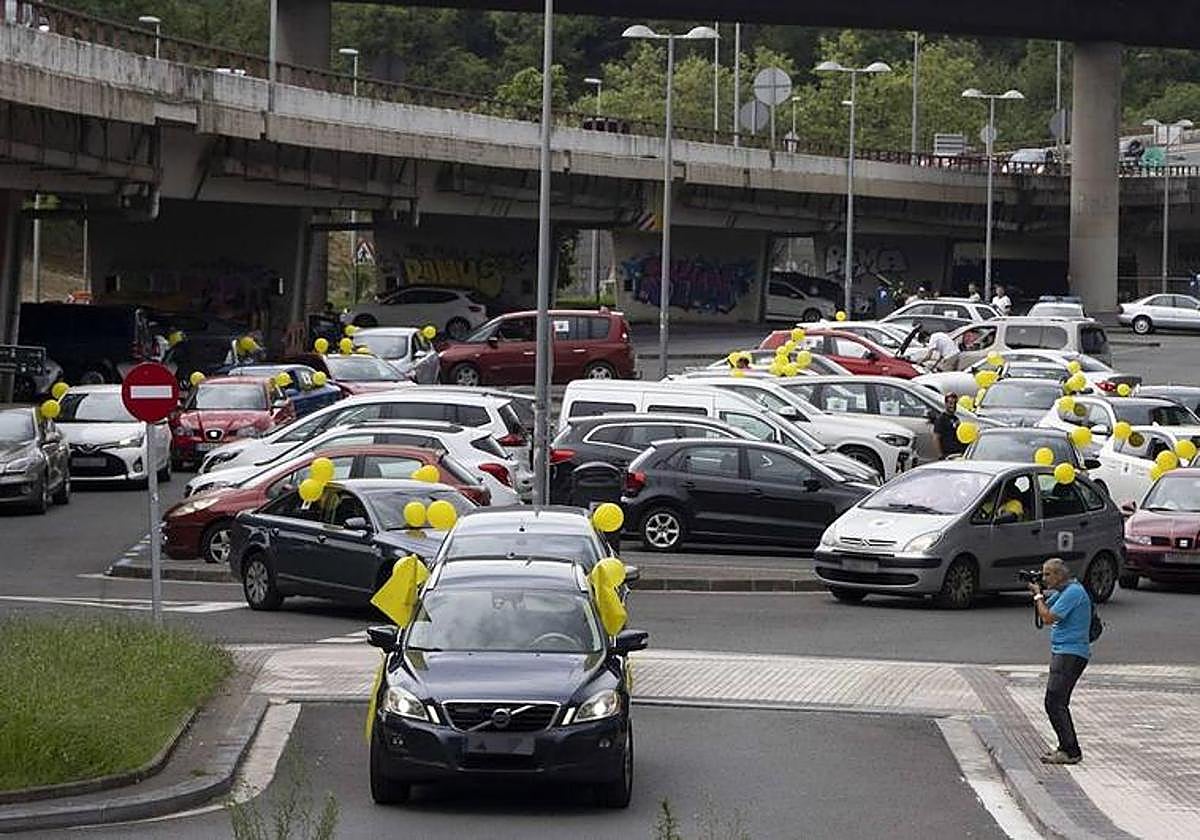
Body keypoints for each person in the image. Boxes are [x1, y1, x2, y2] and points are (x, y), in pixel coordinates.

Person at [1028, 557, 1092, 765]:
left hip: (1071, 653)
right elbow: (1045, 608)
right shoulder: (1064, 592)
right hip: (1064, 652)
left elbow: (1047, 617)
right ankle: (1065, 747)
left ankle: (1071, 750)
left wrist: (1038, 594)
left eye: (1047, 574)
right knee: (1055, 701)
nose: (1044, 578)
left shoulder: (1073, 592)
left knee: (1055, 701)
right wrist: (1038, 593)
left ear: (1059, 575)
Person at [932, 392, 966, 458]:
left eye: (955, 403)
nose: (952, 406)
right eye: (950, 403)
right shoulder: (941, 419)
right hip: (948, 454)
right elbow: (936, 438)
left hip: (958, 453)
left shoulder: (956, 418)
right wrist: (940, 455)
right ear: (946, 404)